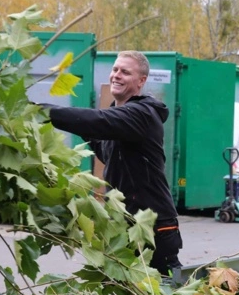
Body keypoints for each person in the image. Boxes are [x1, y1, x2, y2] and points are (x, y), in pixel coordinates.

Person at [41, 51, 182, 275]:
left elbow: (97, 121)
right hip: (122, 223)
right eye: (115, 69)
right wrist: (86, 129)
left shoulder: (142, 114)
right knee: (123, 294)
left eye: (125, 72)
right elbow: (100, 137)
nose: (117, 75)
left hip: (154, 226)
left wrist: (41, 111)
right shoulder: (119, 118)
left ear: (141, 81)